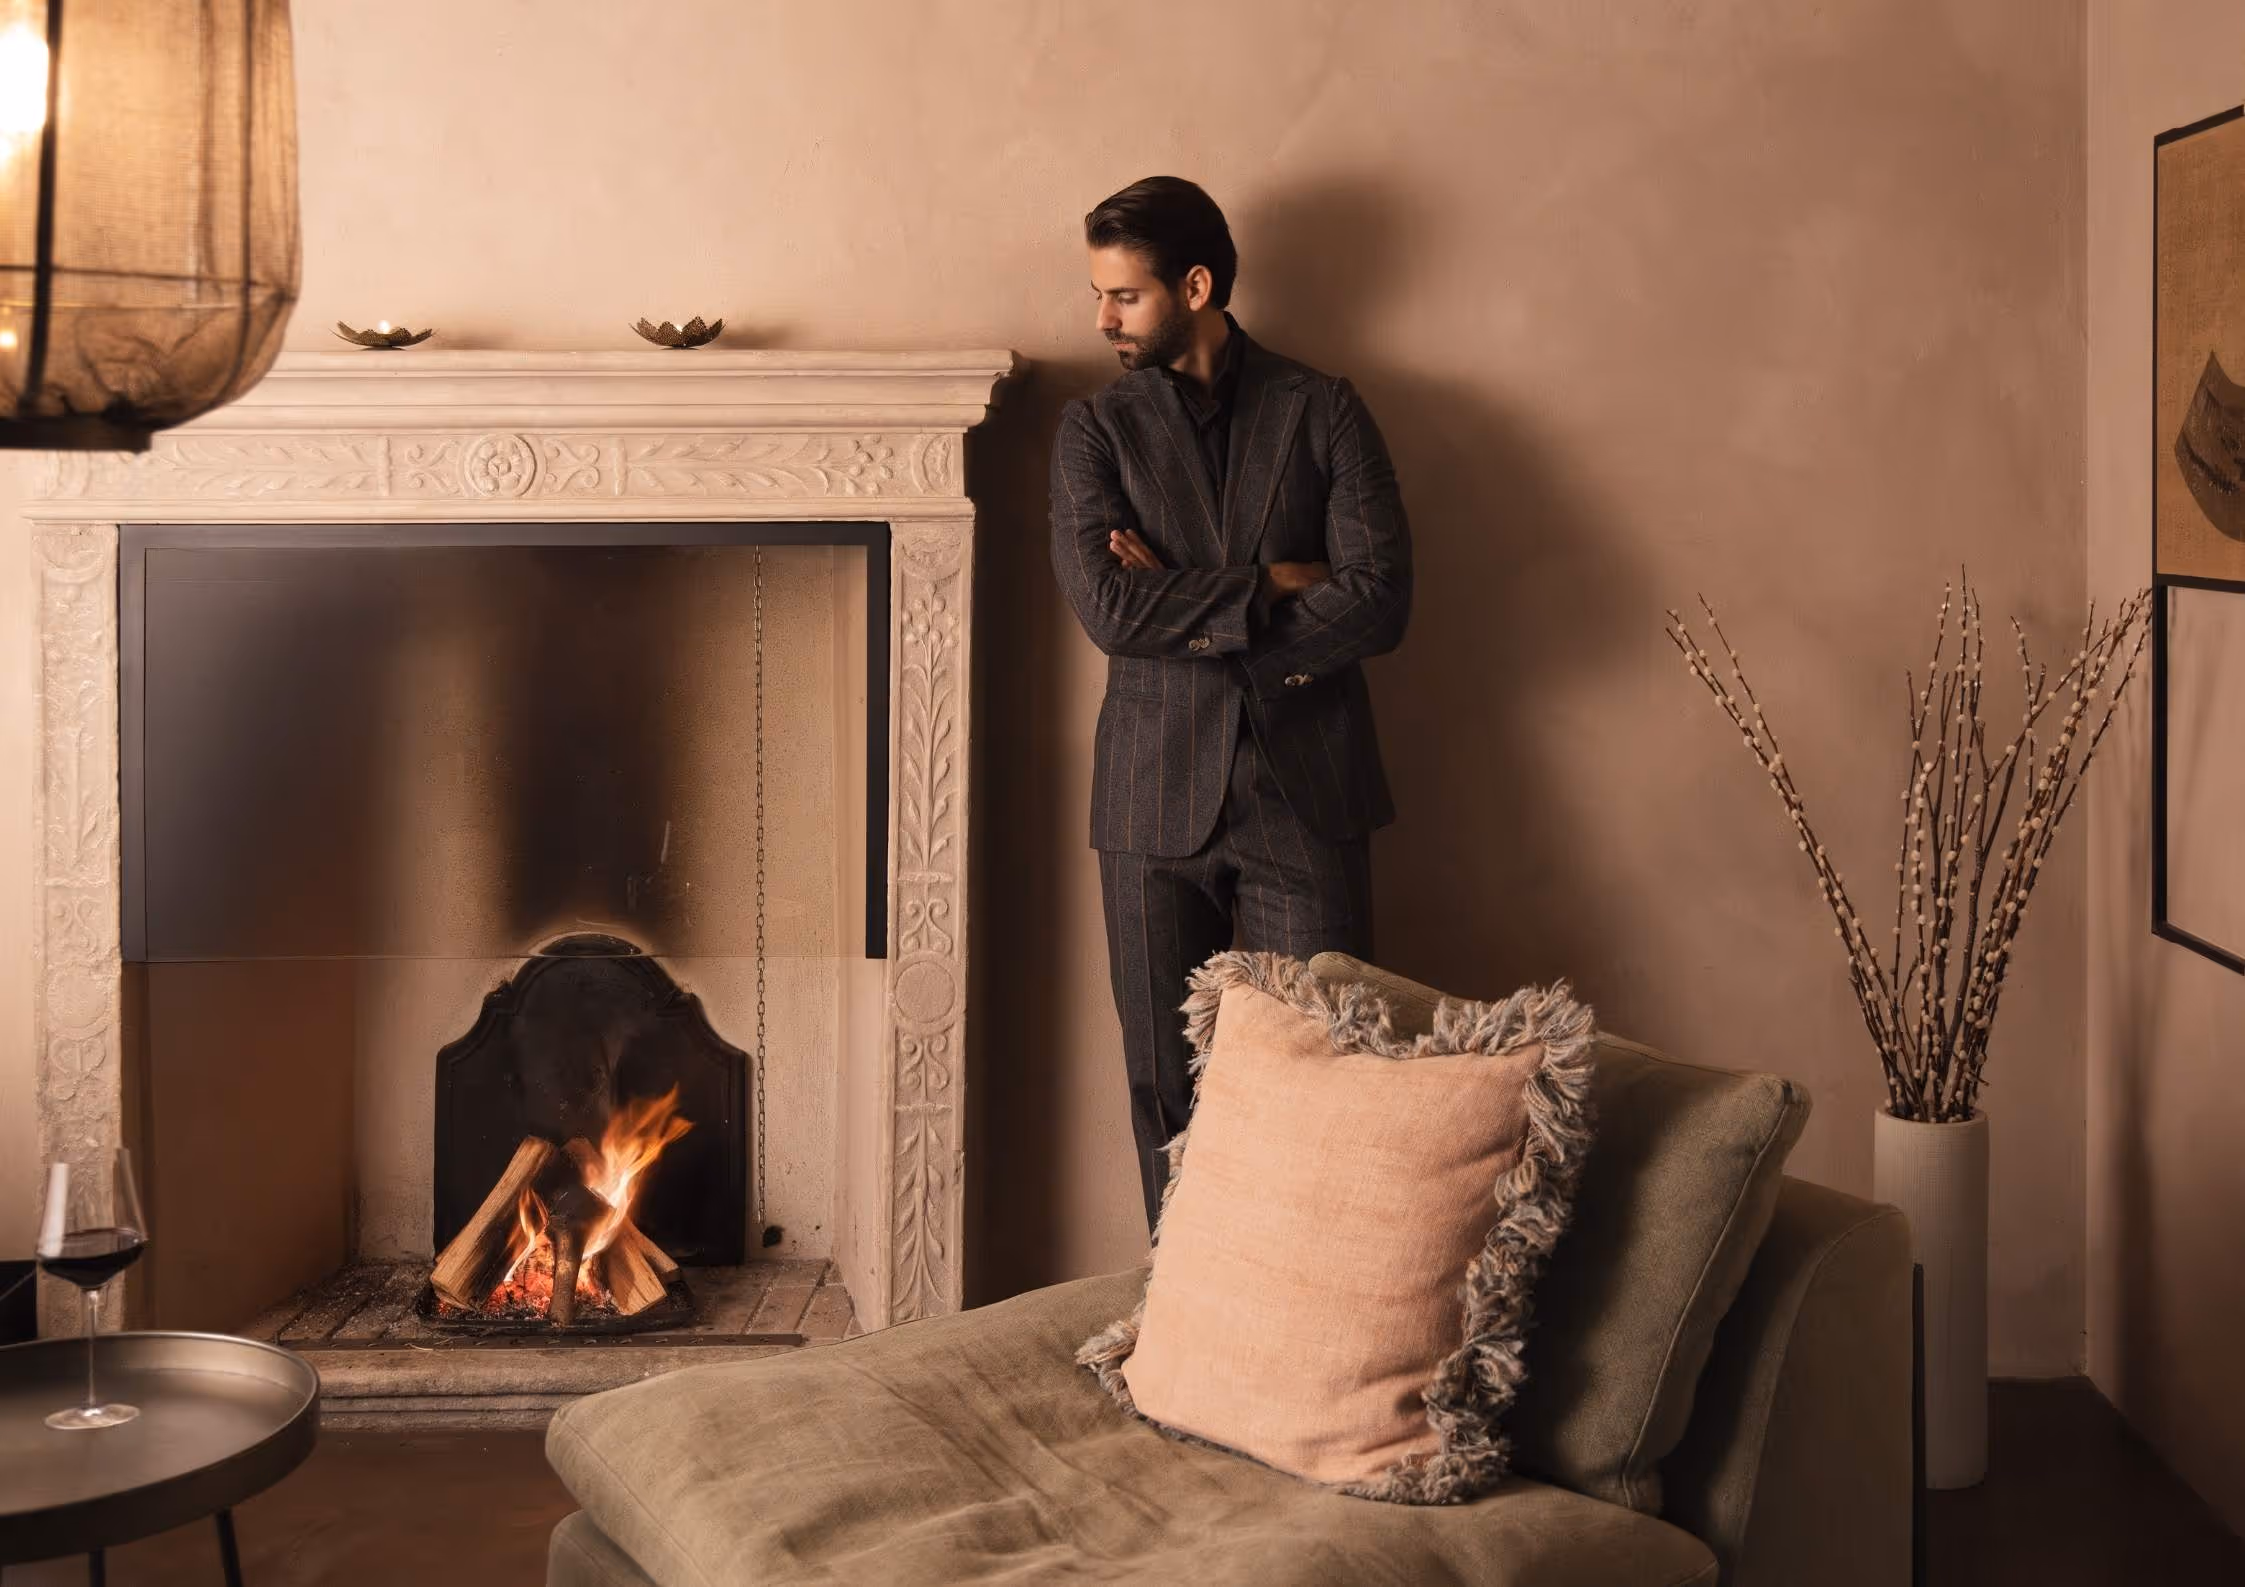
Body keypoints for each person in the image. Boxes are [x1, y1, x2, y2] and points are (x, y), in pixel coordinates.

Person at [1048, 175, 1414, 1233]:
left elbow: (1382, 601)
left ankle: (1306, 1344)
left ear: (1196, 285)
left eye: (1123, 296)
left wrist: (1191, 599)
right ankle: (1179, 1336)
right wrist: (1275, 582)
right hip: (1149, 804)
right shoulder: (1092, 433)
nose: (1101, 318)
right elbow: (1111, 611)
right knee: (1169, 1093)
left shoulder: (1324, 409)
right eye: (1098, 294)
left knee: (1322, 1081)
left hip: (1306, 794)